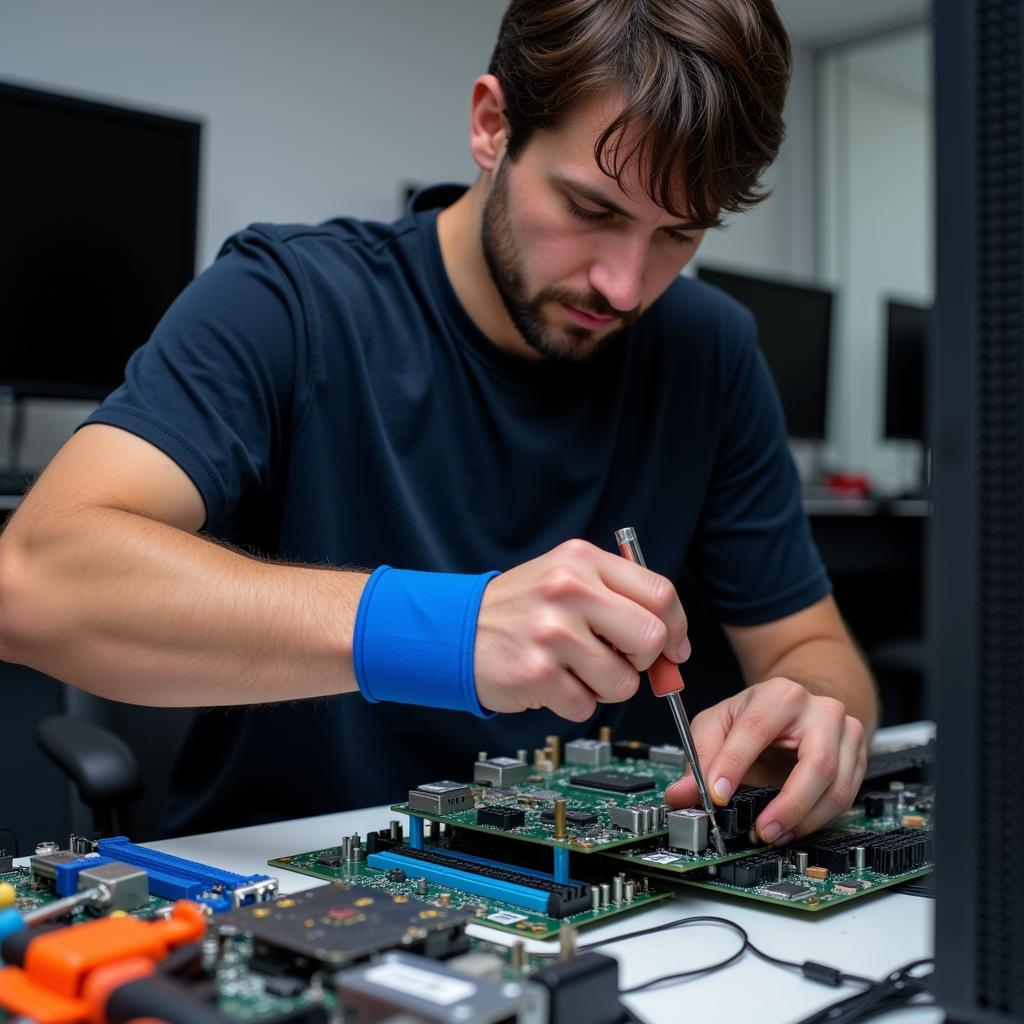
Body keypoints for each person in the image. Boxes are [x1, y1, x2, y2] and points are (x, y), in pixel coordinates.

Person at [0, 0, 876, 841]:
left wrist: (814, 712)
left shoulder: (709, 351)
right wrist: (450, 631)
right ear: (493, 125)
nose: (625, 284)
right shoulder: (291, 300)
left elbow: (809, 644)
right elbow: (34, 582)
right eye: (592, 210)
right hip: (293, 902)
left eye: (678, 234)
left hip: (597, 895)